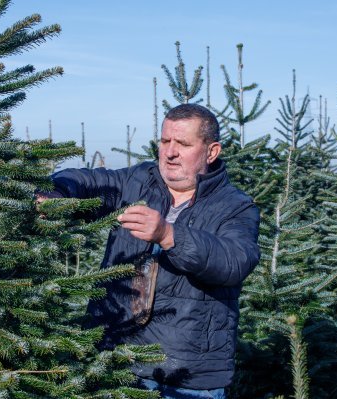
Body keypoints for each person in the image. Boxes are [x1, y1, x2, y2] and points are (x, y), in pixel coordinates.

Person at [37, 103, 260, 398]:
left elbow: (234, 262)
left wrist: (168, 234)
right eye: (165, 141)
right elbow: (87, 181)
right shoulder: (138, 182)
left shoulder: (234, 206)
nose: (170, 152)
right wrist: (56, 193)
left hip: (186, 377)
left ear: (211, 151)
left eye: (183, 143)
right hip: (115, 360)